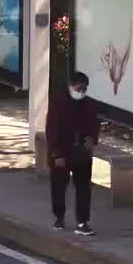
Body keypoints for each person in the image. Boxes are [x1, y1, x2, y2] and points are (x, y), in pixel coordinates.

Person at [46, 71, 100, 236]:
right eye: (78, 88)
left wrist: (92, 138)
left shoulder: (89, 104)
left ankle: (82, 222)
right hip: (62, 152)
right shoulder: (58, 103)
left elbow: (95, 125)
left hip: (82, 153)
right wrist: (56, 155)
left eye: (84, 89)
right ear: (70, 87)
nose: (81, 92)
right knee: (59, 186)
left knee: (83, 188)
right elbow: (52, 130)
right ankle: (59, 216)